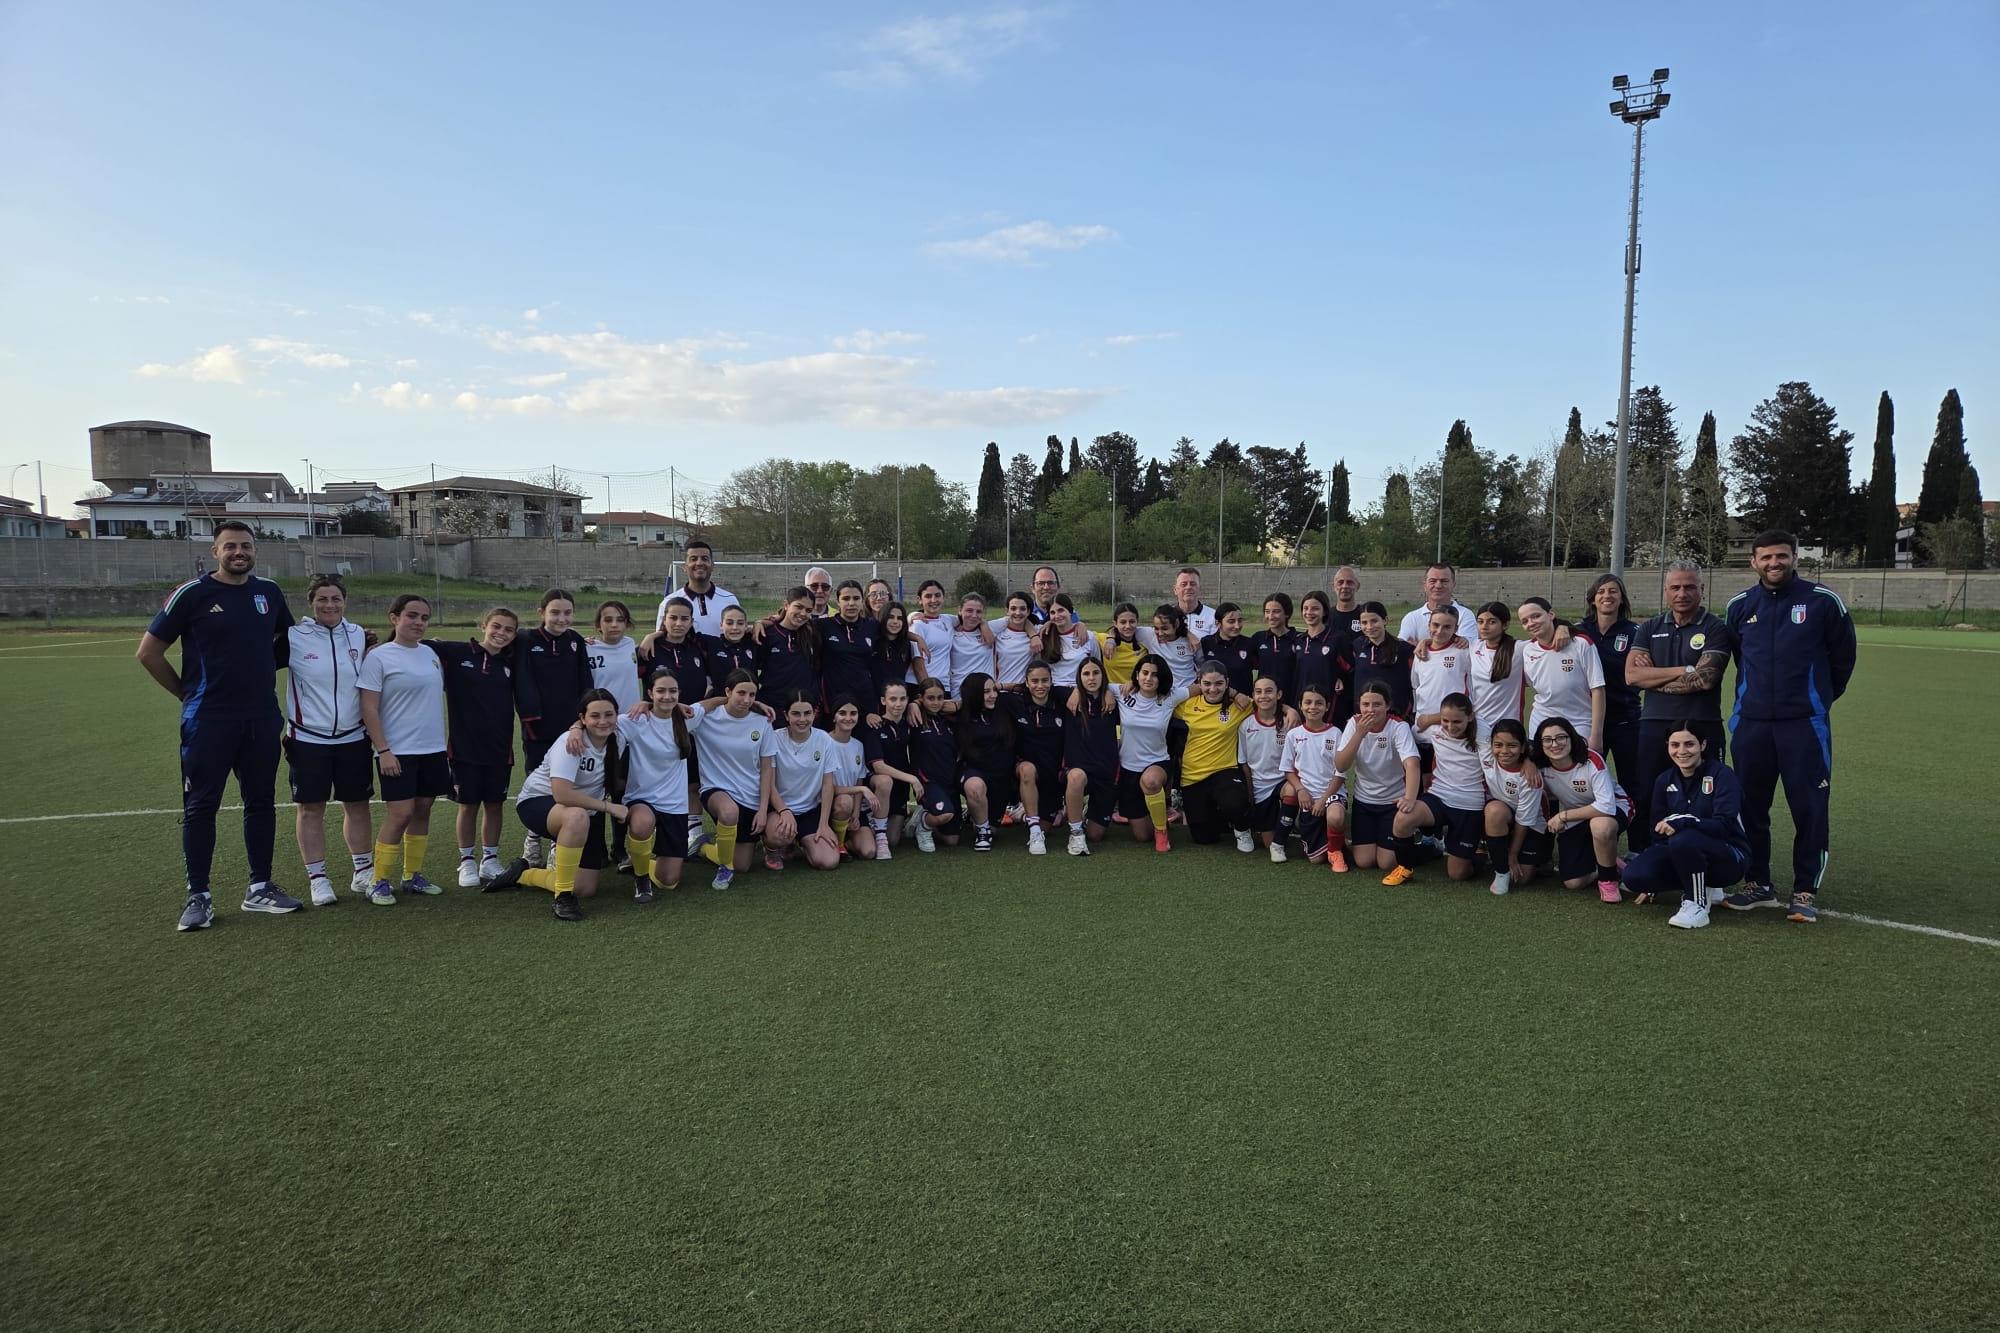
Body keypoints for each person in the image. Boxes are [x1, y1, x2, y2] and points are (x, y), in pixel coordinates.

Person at [138, 520, 301, 930]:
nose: (239, 552)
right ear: (215, 552)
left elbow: (291, 642)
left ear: (255, 551)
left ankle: (260, 888)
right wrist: (185, 694)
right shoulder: (191, 593)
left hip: (261, 717)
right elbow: (148, 653)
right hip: (208, 720)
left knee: (261, 802)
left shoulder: (269, 592)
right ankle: (199, 896)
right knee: (200, 806)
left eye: (245, 546)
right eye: (230, 546)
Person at [1720, 530, 1856, 923]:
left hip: (1804, 726)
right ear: (1754, 562)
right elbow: (1740, 658)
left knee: (1809, 807)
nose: (1773, 563)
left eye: (1781, 556)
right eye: (1765, 557)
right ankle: (1757, 884)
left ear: (1795, 557)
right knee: (1750, 807)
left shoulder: (1823, 601)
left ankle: (1805, 890)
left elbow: (1843, 660)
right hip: (1752, 725)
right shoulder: (1740, 606)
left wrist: (1817, 700)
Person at [1624, 561, 1733, 852]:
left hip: (1703, 723)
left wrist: (1654, 677)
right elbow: (1632, 676)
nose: (1682, 593)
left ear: (1702, 589)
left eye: (1689, 587)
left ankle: (1705, 855)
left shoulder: (1715, 627)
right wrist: (1685, 669)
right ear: (1665, 591)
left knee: (1706, 795)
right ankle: (1643, 853)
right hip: (1654, 723)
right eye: (1675, 587)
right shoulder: (1650, 627)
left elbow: (1705, 679)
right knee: (1647, 791)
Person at [486, 689, 623, 921]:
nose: (603, 721)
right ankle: (563, 897)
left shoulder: (619, 734)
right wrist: (610, 807)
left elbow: (657, 709)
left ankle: (523, 874)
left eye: (609, 715)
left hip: (586, 810)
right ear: (582, 718)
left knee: (586, 888)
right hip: (539, 802)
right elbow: (562, 794)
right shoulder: (569, 743)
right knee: (576, 816)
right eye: (595, 716)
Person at [281, 573, 375, 907]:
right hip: (308, 738)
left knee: (358, 805)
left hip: (354, 737)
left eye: (336, 598)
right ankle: (318, 879)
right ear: (311, 602)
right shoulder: (293, 637)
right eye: (322, 598)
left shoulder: (360, 635)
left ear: (344, 602)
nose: (329, 605)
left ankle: (363, 871)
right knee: (311, 809)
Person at [357, 594, 450, 904]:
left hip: (432, 748)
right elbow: (369, 707)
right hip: (397, 750)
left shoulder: (430, 654)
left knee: (423, 809)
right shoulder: (379, 657)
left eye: (424, 617)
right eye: (412, 615)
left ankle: (412, 876)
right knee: (401, 814)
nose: (419, 622)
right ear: (394, 618)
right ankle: (378, 880)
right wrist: (383, 750)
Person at [429, 607, 529, 888]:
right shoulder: (457, 653)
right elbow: (415, 645)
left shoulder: (511, 661)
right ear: (484, 625)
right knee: (468, 806)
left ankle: (490, 859)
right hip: (464, 748)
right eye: (496, 626)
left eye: (508, 630)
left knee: (495, 805)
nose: (501, 633)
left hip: (499, 748)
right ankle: (466, 861)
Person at [1623, 725, 1750, 930]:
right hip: (1682, 850)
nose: (1682, 751)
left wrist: (1685, 821)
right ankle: (1700, 883)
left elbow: (1724, 825)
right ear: (1667, 746)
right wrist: (1653, 880)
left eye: (1689, 744)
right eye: (1675, 745)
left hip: (1728, 856)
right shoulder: (1664, 780)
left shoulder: (1722, 775)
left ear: (1703, 745)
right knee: (1635, 876)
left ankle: (1696, 903)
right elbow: (1658, 833)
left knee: (1684, 838)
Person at [607, 669, 702, 902]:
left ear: (679, 693)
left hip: (675, 805)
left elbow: (714, 703)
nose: (667, 696)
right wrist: (576, 729)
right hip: (642, 799)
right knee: (642, 824)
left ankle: (639, 859)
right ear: (650, 693)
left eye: (672, 691)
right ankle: (641, 879)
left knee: (669, 881)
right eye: (660, 691)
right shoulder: (634, 720)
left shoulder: (686, 717)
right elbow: (597, 721)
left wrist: (757, 704)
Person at [516, 589, 591, 867]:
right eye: (555, 612)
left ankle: (557, 844)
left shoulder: (576, 641)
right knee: (539, 786)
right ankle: (533, 838)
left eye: (567, 613)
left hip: (571, 730)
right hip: (537, 729)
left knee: (567, 784)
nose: (562, 618)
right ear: (541, 613)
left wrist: (581, 722)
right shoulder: (525, 639)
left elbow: (586, 684)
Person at [1532, 716, 1631, 903]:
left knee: (1600, 825)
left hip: (1614, 808)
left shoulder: (1590, 759)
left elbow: (1606, 806)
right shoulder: (1540, 766)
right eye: (1547, 740)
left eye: (1561, 737)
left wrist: (1563, 816)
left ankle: (1608, 880)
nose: (1555, 744)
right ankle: (1608, 861)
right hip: (1578, 814)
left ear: (1571, 738)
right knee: (1573, 882)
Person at [1390, 693, 1486, 883]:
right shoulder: (1434, 729)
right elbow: (1417, 729)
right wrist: (1431, 719)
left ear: (1470, 717)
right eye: (1445, 721)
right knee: (1403, 818)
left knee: (1457, 874)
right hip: (1439, 796)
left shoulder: (1483, 733)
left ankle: (1479, 856)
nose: (1450, 727)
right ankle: (1404, 868)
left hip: (1469, 804)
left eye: (1457, 721)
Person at [1335, 681, 1422, 881]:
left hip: (1392, 802)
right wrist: (1359, 734)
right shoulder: (1354, 724)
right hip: (1364, 802)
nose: (1370, 710)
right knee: (1364, 861)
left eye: (1377, 704)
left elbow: (1412, 764)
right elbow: (1341, 765)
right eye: (1365, 704)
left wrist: (1409, 798)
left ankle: (1416, 846)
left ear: (1387, 705)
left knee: (1386, 863)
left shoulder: (1398, 727)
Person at [689, 670, 767, 889]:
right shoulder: (706, 719)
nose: (747, 700)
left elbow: (767, 769)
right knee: (729, 812)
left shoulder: (762, 722)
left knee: (742, 864)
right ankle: (724, 868)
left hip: (750, 798)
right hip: (716, 790)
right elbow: (683, 713)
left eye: (752, 695)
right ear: (727, 691)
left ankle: (702, 847)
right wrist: (721, 700)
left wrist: (762, 809)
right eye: (741, 693)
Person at [585, 600, 643, 870]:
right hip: (597, 729)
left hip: (627, 730)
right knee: (595, 790)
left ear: (627, 623)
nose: (614, 625)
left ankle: (619, 848)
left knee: (621, 790)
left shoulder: (632, 645)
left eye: (620, 619)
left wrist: (653, 636)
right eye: (608, 620)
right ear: (598, 625)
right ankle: (595, 849)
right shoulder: (587, 649)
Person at [1175, 661, 1256, 851]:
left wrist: (1289, 711)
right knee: (1204, 838)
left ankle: (1242, 830)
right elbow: (1159, 701)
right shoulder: (1187, 705)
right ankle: (1220, 818)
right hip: (1192, 776)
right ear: (1199, 683)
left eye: (1219, 683)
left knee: (1234, 802)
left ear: (1227, 682)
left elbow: (1269, 705)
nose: (1213, 689)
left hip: (1224, 770)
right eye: (1207, 684)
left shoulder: (1239, 705)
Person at [1113, 653, 1189, 852]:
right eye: (1145, 673)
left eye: (1154, 675)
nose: (1148, 678)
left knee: (1151, 781)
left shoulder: (1170, 697)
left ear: (1161, 678)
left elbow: (1202, 687)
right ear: (1137, 675)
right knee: (1142, 836)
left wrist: (1234, 693)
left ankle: (1161, 832)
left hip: (1158, 763)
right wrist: (1078, 692)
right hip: (1129, 769)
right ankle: (1157, 815)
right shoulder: (1122, 693)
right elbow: (1093, 684)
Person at [760, 693, 840, 871]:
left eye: (807, 713)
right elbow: (769, 783)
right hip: (780, 810)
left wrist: (824, 824)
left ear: (814, 714)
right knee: (779, 835)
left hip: (810, 811)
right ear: (786, 715)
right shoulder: (774, 738)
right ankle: (772, 848)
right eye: (796, 714)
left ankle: (799, 841)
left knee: (829, 861)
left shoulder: (824, 739)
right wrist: (784, 810)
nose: (802, 719)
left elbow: (828, 785)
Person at [1519, 596, 1605, 756]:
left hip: (1579, 723)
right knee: (1541, 770)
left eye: (1536, 616)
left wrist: (1596, 735)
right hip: (1541, 722)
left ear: (1551, 615)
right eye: (1525, 621)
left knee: (1578, 770)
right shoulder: (1527, 650)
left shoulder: (1581, 644)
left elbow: (1598, 689)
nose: (1531, 623)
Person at [1582, 574, 1642, 795]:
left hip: (1625, 719)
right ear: (1593, 599)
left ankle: (1634, 818)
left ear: (1622, 598)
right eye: (1601, 591)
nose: (1607, 596)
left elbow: (1643, 673)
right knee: (1587, 782)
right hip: (1587, 719)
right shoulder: (1579, 631)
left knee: (1632, 782)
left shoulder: (1635, 633)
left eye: (1613, 591)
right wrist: (1560, 628)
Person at [1005, 661, 1068, 854]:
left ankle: (1024, 814)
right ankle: (1033, 832)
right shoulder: (1014, 702)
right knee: (1028, 769)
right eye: (1034, 681)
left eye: (1045, 680)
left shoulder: (1062, 700)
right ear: (1026, 682)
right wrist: (1006, 685)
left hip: (1051, 776)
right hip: (1022, 771)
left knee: (1046, 828)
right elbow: (981, 693)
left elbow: (1088, 690)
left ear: (1051, 681)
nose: (1040, 685)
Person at [1281, 683, 1345, 869]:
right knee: (1316, 860)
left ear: (1327, 706)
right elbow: (1287, 769)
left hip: (1331, 795)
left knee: (1335, 816)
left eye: (1319, 703)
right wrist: (1300, 790)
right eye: (1308, 702)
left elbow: (1340, 773)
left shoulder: (1336, 733)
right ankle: (1330, 840)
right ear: (1300, 705)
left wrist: (1323, 799)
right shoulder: (1294, 734)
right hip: (1307, 797)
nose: (1313, 707)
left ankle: (1336, 851)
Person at [1480, 718, 1547, 896]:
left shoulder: (1531, 778)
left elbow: (1524, 821)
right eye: (1498, 745)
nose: (1504, 751)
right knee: (1494, 811)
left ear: (1523, 748)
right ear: (1490, 745)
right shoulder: (1486, 755)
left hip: (1531, 825)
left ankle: (1532, 857)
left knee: (1522, 878)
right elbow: (1472, 719)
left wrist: (1513, 854)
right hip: (1503, 815)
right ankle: (1501, 872)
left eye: (1512, 745)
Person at [1060, 657, 1120, 854]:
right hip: (1077, 770)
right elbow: (1039, 688)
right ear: (1079, 677)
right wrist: (1077, 690)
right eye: (1086, 674)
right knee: (1077, 777)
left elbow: (1132, 687)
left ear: (1103, 675)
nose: (1091, 678)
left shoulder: (1114, 702)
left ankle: (1082, 812)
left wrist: (1109, 690)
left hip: (1105, 773)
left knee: (1095, 835)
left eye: (1096, 673)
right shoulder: (1068, 699)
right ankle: (1076, 833)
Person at [954, 673, 1015, 852]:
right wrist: (914, 704)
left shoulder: (1004, 708)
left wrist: (1002, 685)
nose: (993, 695)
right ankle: (982, 832)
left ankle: (976, 817)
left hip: (1001, 777)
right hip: (974, 772)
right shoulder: (960, 717)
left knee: (994, 829)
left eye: (994, 690)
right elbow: (932, 705)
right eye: (986, 692)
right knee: (975, 787)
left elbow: (1024, 688)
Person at [1409, 608, 1472, 773]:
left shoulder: (1464, 651)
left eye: (1447, 627)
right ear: (1428, 625)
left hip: (1451, 732)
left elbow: (1472, 694)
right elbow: (1417, 687)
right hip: (1422, 731)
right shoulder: (1420, 653)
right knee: (1424, 781)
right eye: (1435, 625)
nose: (1439, 631)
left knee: (1448, 780)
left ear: (1456, 628)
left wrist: (1432, 719)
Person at [863, 679, 920, 857]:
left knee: (894, 840)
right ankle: (874, 824)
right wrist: (912, 778)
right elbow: (878, 766)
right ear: (883, 701)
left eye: (902, 699)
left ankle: (915, 818)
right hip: (879, 784)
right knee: (884, 781)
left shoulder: (909, 724)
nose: (898, 704)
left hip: (900, 789)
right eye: (893, 699)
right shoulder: (874, 726)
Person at [1237, 676, 1290, 862]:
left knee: (1292, 792)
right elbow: (1244, 763)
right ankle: (1279, 828)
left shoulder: (1288, 723)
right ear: (1253, 695)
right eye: (1258, 692)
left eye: (1269, 691)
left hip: (1284, 781)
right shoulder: (1246, 725)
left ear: (1278, 694)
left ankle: (1282, 840)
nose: (1263, 696)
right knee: (1267, 841)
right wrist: (1250, 792)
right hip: (1260, 786)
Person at [908, 677, 963, 851]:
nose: (936, 702)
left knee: (952, 840)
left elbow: (972, 704)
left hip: (949, 782)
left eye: (940, 698)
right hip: (927, 782)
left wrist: (956, 705)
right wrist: (913, 704)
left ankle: (923, 816)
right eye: (930, 698)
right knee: (945, 814)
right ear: (921, 698)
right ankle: (923, 826)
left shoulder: (949, 719)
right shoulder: (914, 719)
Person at [821, 697, 875, 858]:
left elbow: (859, 779)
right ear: (834, 717)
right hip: (830, 805)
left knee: (869, 851)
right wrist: (861, 789)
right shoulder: (823, 742)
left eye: (853, 713)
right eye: (842, 713)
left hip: (851, 807)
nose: (848, 718)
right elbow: (826, 787)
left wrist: (856, 813)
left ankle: (846, 840)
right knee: (844, 801)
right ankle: (839, 844)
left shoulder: (858, 745)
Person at [818, 579, 880, 718]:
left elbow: (897, 630)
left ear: (862, 601)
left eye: (856, 598)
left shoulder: (872, 626)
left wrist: (917, 637)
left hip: (865, 699)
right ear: (838, 602)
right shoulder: (823, 625)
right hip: (835, 700)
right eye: (846, 598)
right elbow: (793, 622)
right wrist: (769, 621)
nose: (851, 603)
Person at [754, 586, 820, 716]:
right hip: (773, 708)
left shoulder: (813, 633)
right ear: (786, 605)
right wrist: (759, 623)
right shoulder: (766, 634)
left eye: (808, 610)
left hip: (803, 710)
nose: (803, 613)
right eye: (798, 607)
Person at [657, 537, 740, 638]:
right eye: (693, 559)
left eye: (705, 559)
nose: (699, 563)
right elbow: (660, 639)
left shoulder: (730, 600)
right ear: (685, 566)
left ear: (712, 566)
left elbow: (740, 633)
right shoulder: (668, 602)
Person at [1294, 591, 1354, 722]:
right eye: (1305, 608)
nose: (1309, 612)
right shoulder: (1299, 640)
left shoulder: (1337, 638)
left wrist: (1341, 678)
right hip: (1303, 704)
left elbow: (1350, 669)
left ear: (1325, 611)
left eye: (1315, 608)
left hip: (1329, 706)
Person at [1466, 602, 1526, 734]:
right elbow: (1444, 641)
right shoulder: (1473, 646)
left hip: (1509, 727)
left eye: (1492, 622)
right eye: (1480, 621)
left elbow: (1548, 637)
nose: (1484, 626)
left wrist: (1563, 628)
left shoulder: (1519, 648)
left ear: (1505, 625)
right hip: (1479, 725)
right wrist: (1426, 642)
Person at [1349, 601, 1411, 721]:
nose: (1369, 627)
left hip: (1396, 717)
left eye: (1374, 621)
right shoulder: (1357, 645)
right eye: (1364, 623)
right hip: (1365, 716)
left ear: (1385, 620)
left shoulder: (1403, 648)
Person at [1040, 593, 1100, 701]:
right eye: (1052, 612)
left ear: (1070, 611)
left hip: (1082, 691)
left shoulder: (1088, 636)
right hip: (1054, 693)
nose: (1057, 616)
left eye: (1061, 610)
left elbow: (1098, 666)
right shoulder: (1044, 635)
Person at [1397, 563, 1476, 644]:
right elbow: (1402, 647)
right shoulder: (1411, 618)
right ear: (1425, 585)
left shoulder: (1465, 615)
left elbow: (1464, 647)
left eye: (1444, 581)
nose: (1438, 586)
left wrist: (1423, 643)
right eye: (1433, 581)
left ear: (1453, 585)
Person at [1250, 593, 1299, 707]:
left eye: (1276, 611)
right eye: (1267, 611)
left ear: (1287, 613)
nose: (1270, 616)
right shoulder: (1258, 638)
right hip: (1265, 701)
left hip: (1293, 700)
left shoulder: (1299, 639)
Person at [1199, 603, 1257, 696]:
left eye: (1240, 620)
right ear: (1218, 623)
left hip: (1242, 702)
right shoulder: (1206, 643)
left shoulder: (1249, 644)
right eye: (1231, 621)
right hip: (1214, 701)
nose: (1237, 626)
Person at [908, 580, 957, 689]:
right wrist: (929, 690)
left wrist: (983, 624)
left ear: (943, 598)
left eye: (937, 595)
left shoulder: (948, 620)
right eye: (928, 596)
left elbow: (969, 618)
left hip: (943, 685)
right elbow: (918, 665)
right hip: (923, 687)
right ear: (919, 600)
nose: (933, 600)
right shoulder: (917, 624)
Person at [874, 600, 926, 700]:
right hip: (875, 699)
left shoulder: (906, 645)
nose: (895, 621)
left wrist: (918, 638)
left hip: (898, 700)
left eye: (899, 618)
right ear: (883, 618)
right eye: (891, 617)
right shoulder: (873, 642)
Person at [988, 592, 1040, 690]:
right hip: (1000, 690)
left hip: (1025, 691)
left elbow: (1054, 626)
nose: (1018, 612)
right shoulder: (998, 633)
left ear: (1028, 611)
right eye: (1013, 608)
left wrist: (1034, 635)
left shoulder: (1037, 631)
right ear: (1007, 611)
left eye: (1022, 609)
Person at [1098, 603, 1145, 686]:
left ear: (1137, 621)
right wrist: (1080, 625)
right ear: (1115, 623)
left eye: (1132, 621)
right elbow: (1082, 633)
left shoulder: (1145, 642)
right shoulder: (1104, 639)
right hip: (1111, 691)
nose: (1128, 626)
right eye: (1123, 622)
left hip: (1136, 690)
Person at [1172, 566, 1219, 639]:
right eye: (1184, 584)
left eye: (1193, 584)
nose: (1188, 587)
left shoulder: (1213, 616)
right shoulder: (1167, 615)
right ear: (1175, 590)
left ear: (1199, 589)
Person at [1330, 566, 1364, 636]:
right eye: (1340, 582)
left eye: (1350, 582)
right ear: (1333, 586)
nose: (1345, 586)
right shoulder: (1325, 617)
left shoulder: (1366, 616)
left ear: (1358, 586)